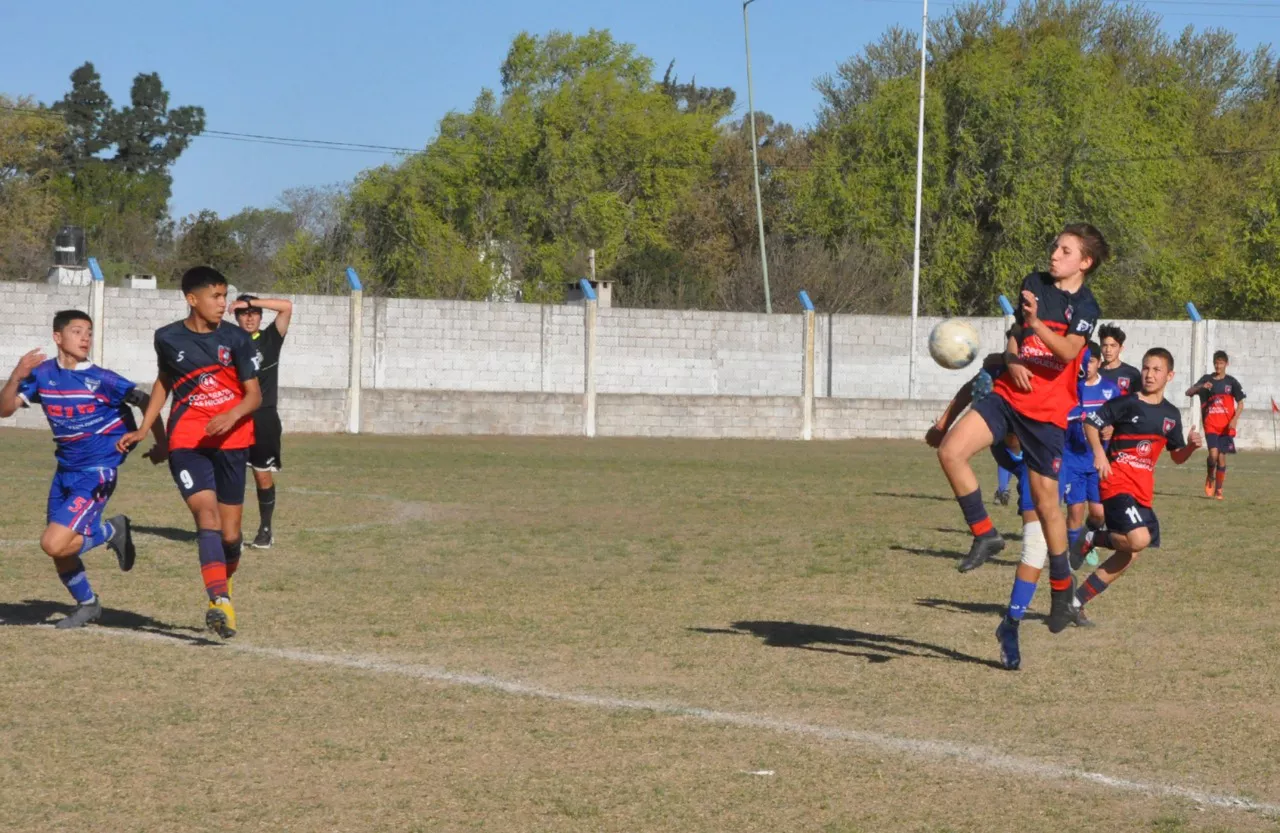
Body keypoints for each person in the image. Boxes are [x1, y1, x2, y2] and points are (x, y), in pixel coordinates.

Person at [934, 223, 1107, 672]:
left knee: (1049, 510)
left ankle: (1061, 590)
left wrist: (1035, 325)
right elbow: (1015, 332)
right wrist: (1012, 357)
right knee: (951, 451)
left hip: (1046, 417)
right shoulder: (1033, 282)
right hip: (1008, 398)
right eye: (1055, 246)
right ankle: (985, 534)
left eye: (1065, 250)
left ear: (1084, 262)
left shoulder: (1086, 307)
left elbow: (1067, 352)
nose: (1055, 254)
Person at [118, 266, 262, 639]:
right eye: (216, 296)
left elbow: (254, 396)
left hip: (232, 440)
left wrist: (230, 415)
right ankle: (219, 601)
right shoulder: (166, 338)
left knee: (231, 537)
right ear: (192, 299)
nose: (223, 303)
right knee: (206, 516)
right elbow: (165, 382)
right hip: (188, 441)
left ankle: (224, 587)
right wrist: (147, 429)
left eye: (224, 295)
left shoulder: (236, 339)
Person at [0, 310, 166, 628]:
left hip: (98, 471)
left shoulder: (103, 379)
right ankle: (88, 604)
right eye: (77, 331)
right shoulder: (42, 374)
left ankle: (111, 531)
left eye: (89, 332)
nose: (85, 337)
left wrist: (160, 441)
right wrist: (17, 375)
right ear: (57, 337)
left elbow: (147, 401)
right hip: (65, 470)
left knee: (53, 543)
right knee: (60, 550)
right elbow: (4, 409)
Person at [1065, 348, 1201, 627]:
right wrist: (1099, 454)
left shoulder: (1171, 415)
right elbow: (1091, 423)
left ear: (1169, 375)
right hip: (1116, 482)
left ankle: (1075, 603)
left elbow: (1176, 456)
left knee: (1130, 553)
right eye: (1146, 368)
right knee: (1138, 539)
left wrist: (1190, 446)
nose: (1149, 375)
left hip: (1142, 491)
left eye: (1157, 370)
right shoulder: (1125, 403)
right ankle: (1091, 537)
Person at [232, 293, 293, 548]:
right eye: (244, 314)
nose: (250, 318)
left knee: (262, 475)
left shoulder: (270, 338)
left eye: (254, 313)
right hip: (236, 417)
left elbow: (286, 307)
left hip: (264, 417)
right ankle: (231, 533)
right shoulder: (229, 342)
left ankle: (265, 530)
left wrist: (252, 302)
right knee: (231, 474)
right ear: (236, 318)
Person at [1062, 341, 1121, 564]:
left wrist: (1112, 428)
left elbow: (1121, 419)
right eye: (1082, 362)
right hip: (1072, 459)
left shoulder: (1110, 390)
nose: (1086, 366)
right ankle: (1073, 557)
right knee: (1075, 511)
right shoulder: (1070, 388)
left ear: (1099, 363)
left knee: (1098, 513)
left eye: (1091, 361)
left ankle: (1086, 540)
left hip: (1099, 460)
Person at [1186, 350, 1244, 500]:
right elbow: (1188, 392)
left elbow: (1241, 403)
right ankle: (1210, 476)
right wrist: (1201, 386)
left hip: (1226, 427)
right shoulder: (1207, 379)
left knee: (1221, 458)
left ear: (1226, 364)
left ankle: (1219, 489)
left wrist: (1234, 420)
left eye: (1221, 363)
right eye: (1216, 363)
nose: (1218, 366)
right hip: (1210, 424)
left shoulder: (1231, 382)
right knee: (1213, 455)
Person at [1096, 323, 1142, 396]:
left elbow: (1138, 399)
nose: (1108, 350)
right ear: (1100, 347)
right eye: (1105, 345)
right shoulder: (1094, 371)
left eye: (1113, 346)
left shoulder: (1132, 373)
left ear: (1120, 348)